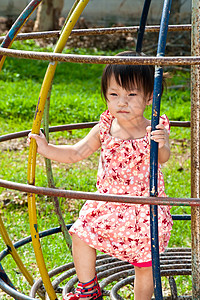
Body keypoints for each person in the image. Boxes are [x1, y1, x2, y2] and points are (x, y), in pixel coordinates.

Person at [28, 51, 172, 300]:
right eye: (114, 94)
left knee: (145, 264)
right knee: (81, 233)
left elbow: (163, 157)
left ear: (150, 97)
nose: (122, 102)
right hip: (107, 203)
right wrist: (47, 149)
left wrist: (161, 142)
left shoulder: (154, 128)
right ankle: (88, 289)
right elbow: (76, 153)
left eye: (132, 94)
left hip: (145, 207)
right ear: (105, 95)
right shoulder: (105, 127)